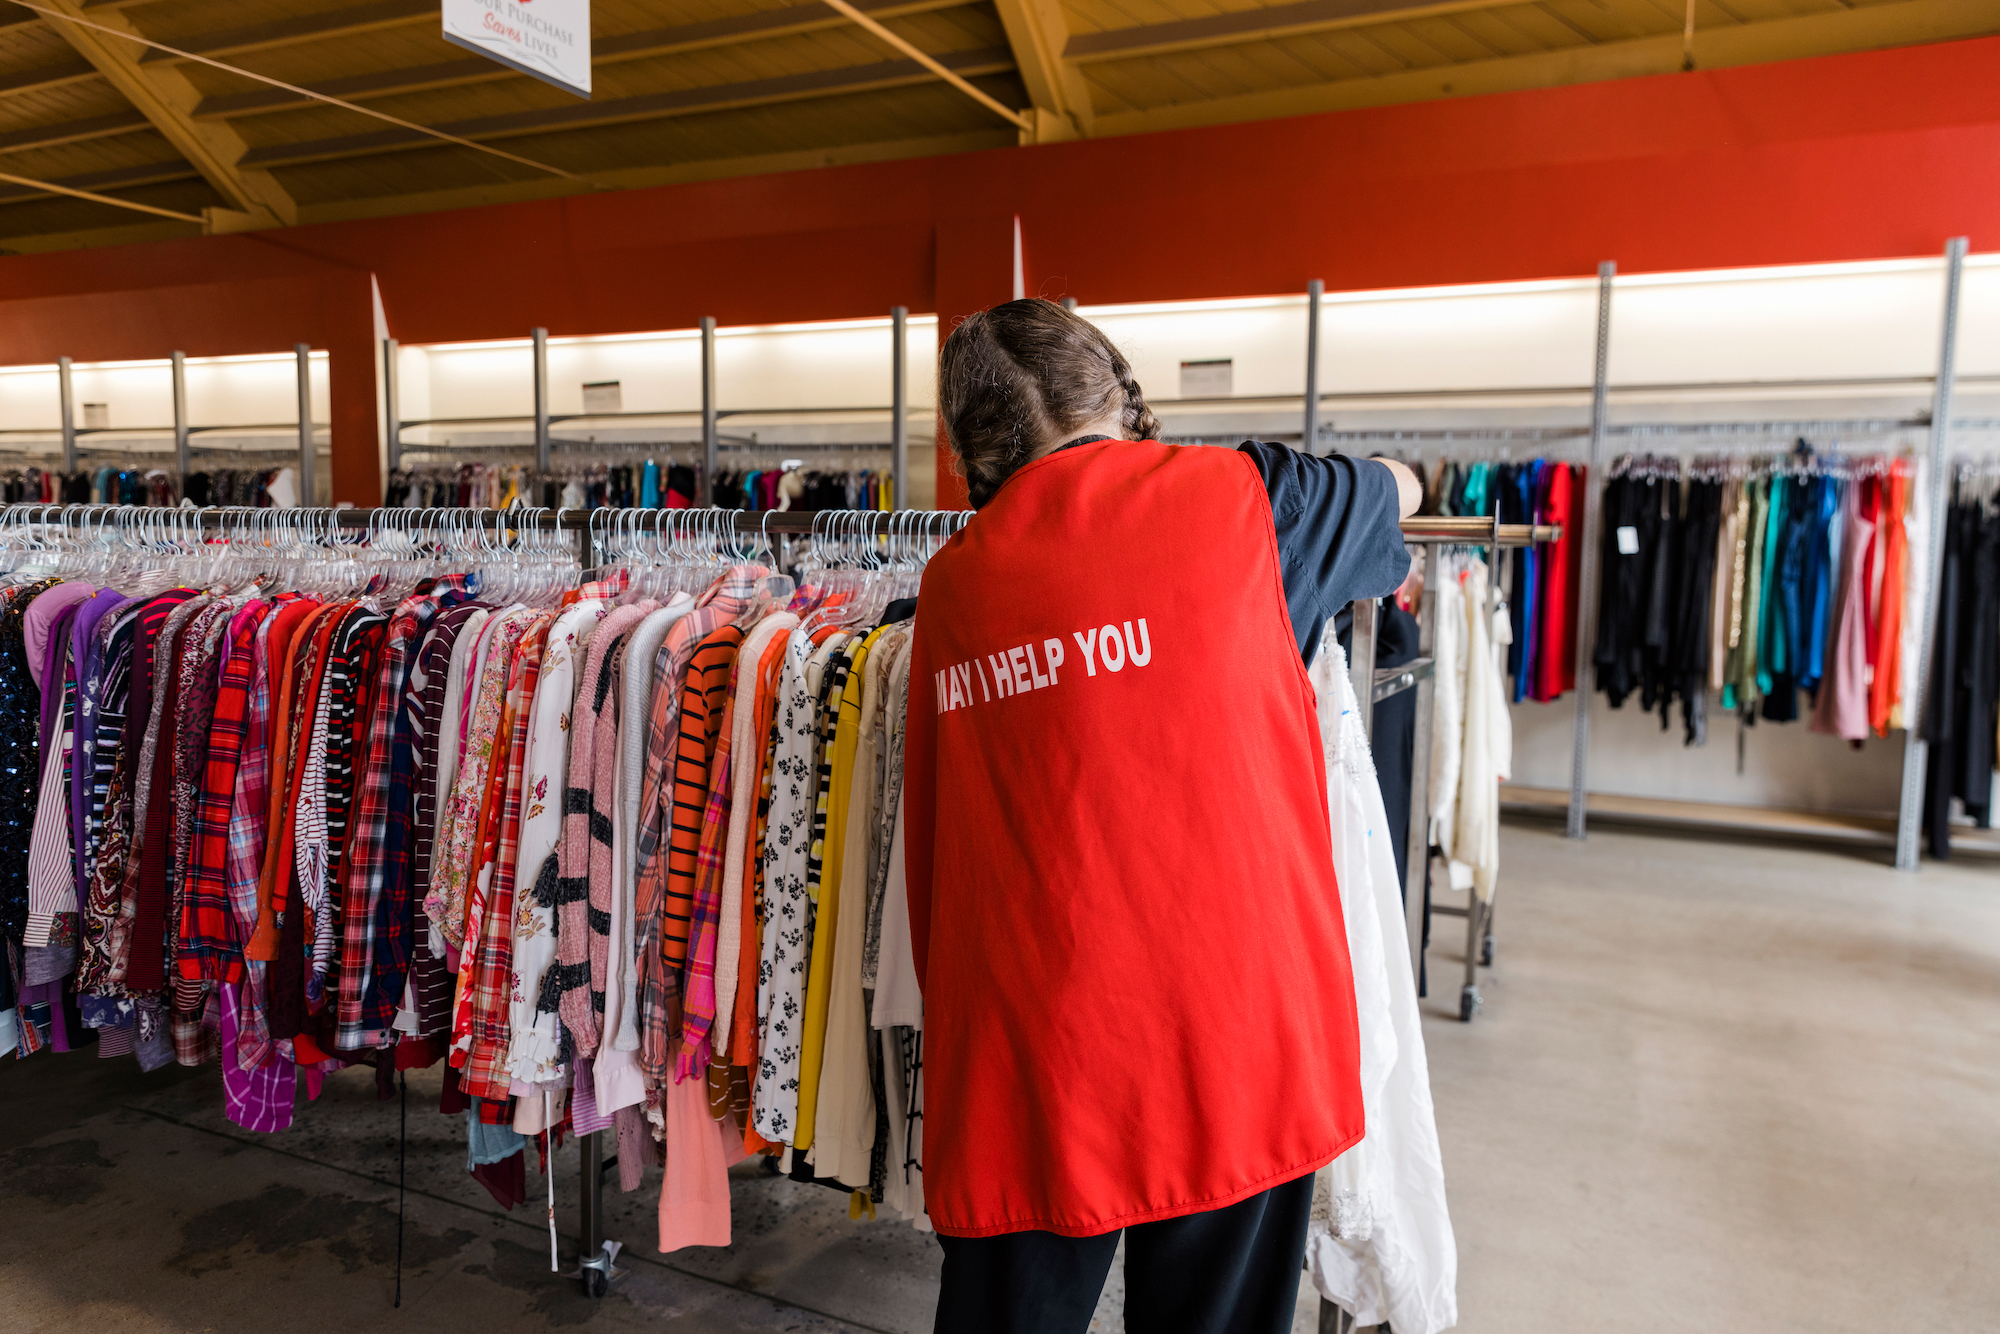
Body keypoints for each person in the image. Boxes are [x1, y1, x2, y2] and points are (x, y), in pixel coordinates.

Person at [901, 299, 1420, 1334]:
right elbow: (1396, 488)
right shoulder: (1250, 499)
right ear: (1113, 390)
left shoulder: (950, 586)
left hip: (1034, 1054)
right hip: (1232, 1029)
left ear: (971, 452)